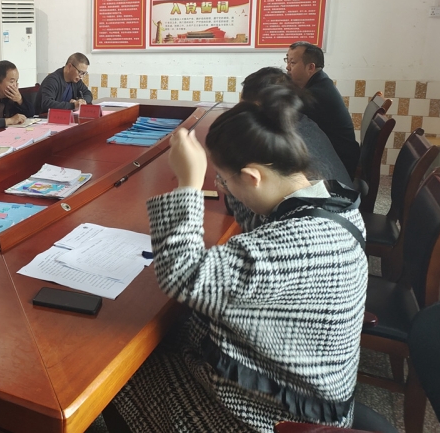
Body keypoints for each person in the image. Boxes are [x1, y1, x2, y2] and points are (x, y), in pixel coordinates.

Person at [106, 87, 367, 432]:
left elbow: (184, 276)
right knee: (166, 332)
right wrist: (227, 169)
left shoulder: (291, 247)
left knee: (118, 372)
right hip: (296, 387)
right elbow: (257, 214)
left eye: (224, 179)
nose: (220, 186)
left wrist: (188, 183)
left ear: (252, 176)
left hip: (268, 415)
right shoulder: (329, 204)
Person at [241, 67, 352, 187]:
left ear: (258, 104)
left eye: (243, 107)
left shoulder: (277, 137)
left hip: (325, 197)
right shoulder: (303, 122)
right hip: (343, 194)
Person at [285, 42, 360, 178]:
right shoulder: (320, 83)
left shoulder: (316, 94)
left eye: (293, 62)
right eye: (287, 61)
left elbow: (282, 120)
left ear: (311, 67)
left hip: (336, 170)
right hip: (337, 160)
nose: (287, 67)